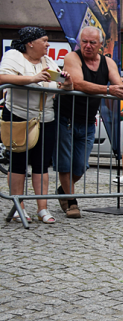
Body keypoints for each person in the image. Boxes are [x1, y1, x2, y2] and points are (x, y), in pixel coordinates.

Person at [57, 26, 123, 218]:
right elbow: (78, 83)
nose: (88, 46)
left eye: (92, 42)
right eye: (84, 41)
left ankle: (63, 191)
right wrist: (109, 90)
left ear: (101, 44)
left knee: (81, 166)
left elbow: (117, 84)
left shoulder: (108, 63)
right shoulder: (72, 58)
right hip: (65, 117)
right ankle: (71, 202)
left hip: (88, 120)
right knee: (65, 163)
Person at [0, 26, 73, 224]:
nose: (48, 44)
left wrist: (67, 83)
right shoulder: (14, 55)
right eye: (45, 40)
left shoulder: (48, 61)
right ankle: (18, 207)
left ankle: (43, 208)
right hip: (18, 115)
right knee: (18, 164)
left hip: (45, 117)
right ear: (30, 42)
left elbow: (61, 84)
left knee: (42, 165)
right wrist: (32, 78)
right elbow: (3, 77)